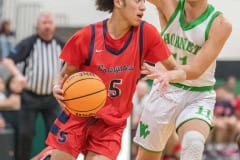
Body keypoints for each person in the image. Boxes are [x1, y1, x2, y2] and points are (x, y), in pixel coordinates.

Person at [45, 0, 188, 160]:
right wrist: (57, 86)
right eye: (137, 1)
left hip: (111, 124)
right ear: (119, 2)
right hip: (78, 114)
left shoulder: (145, 34)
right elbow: (65, 73)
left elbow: (179, 71)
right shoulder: (87, 36)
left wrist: (167, 75)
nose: (143, 6)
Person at [133, 0, 232, 160]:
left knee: (193, 143)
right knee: (146, 157)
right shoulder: (169, 4)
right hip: (164, 90)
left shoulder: (220, 24)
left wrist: (171, 73)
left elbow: (195, 70)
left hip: (196, 95)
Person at [4, 12, 64, 160]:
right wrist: (18, 75)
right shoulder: (28, 43)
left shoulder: (61, 44)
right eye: (44, 22)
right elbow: (8, 60)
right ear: (37, 25)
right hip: (29, 96)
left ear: (54, 25)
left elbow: (72, 66)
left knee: (55, 134)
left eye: (49, 22)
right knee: (25, 134)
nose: (47, 26)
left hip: (51, 97)